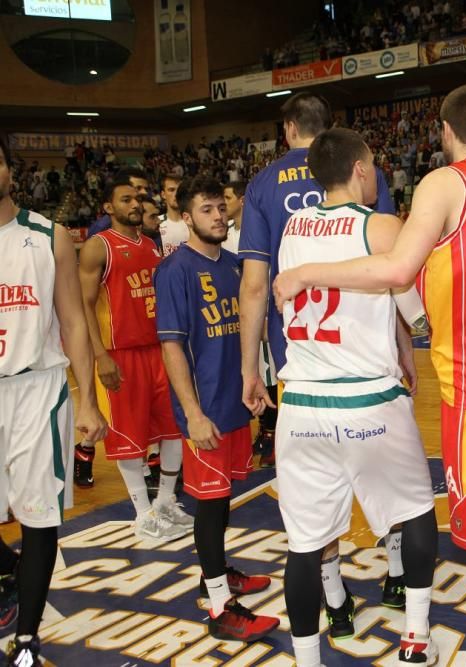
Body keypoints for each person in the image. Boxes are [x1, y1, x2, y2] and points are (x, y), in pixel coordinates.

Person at [272, 84, 466, 667]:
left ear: (447, 132)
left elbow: (402, 268)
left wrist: (306, 274)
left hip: (448, 382)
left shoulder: (438, 185)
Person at [269, 130, 439, 666]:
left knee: (303, 545)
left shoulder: (292, 228)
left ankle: (306, 659)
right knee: (415, 513)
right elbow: (406, 290)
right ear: (361, 169)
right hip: (367, 398)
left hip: (300, 405)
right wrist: (416, 326)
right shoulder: (382, 225)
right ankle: (415, 637)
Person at [237, 92, 404, 610]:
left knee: (314, 503)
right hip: (368, 363)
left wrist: (251, 369)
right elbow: (396, 276)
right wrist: (405, 352)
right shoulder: (360, 171)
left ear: (288, 129)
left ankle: (334, 601)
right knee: (395, 483)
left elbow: (254, 287)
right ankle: (399, 576)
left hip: (303, 367)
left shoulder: (263, 187)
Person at [153, 176, 280, 643]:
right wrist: (192, 414)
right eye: (207, 210)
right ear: (186, 217)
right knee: (208, 507)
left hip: (234, 406)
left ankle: (219, 573)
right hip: (205, 413)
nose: (219, 216)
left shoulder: (235, 266)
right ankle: (221, 608)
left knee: (221, 501)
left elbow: (250, 334)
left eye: (222, 207)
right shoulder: (175, 271)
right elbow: (171, 348)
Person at [0, 135, 108, 666]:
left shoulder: (48, 237)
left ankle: (26, 638)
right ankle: (8, 577)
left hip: (35, 389)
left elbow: (72, 321)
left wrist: (88, 400)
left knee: (39, 516)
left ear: (9, 170)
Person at [78, 173, 193, 541]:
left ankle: (164, 504)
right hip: (121, 354)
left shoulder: (151, 244)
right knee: (130, 436)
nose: (134, 204)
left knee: (173, 429)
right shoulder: (99, 247)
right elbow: (83, 305)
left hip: (158, 349)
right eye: (125, 199)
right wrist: (100, 356)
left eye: (137, 199)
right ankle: (142, 512)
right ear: (109, 207)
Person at [85, 167, 150, 238]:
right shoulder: (101, 228)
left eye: (146, 189)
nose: (145, 192)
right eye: (138, 188)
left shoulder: (145, 214)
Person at [159, 175, 190, 256]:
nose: (176, 194)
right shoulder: (156, 223)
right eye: (171, 190)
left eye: (179, 190)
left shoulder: (194, 222)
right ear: (163, 195)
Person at [221, 180, 245, 254]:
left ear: (242, 200)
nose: (223, 202)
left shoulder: (259, 230)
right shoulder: (221, 228)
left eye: (228, 198)